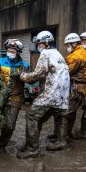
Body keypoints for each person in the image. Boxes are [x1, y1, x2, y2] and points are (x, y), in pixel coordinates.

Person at [16, 31, 70, 159]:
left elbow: (38, 74)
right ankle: (60, 141)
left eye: (39, 43)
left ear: (46, 43)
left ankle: (32, 149)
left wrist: (22, 76)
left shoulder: (46, 53)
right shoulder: (58, 54)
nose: (38, 46)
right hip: (63, 95)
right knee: (57, 115)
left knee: (32, 116)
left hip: (51, 92)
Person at [0, 39, 30, 150]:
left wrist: (25, 76)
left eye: (13, 50)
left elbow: (33, 81)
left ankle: (1, 146)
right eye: (9, 49)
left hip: (15, 97)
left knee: (10, 126)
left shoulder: (25, 65)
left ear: (19, 52)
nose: (10, 51)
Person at [64, 33, 86, 137]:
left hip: (76, 87)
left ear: (74, 43)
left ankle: (62, 138)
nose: (67, 47)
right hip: (78, 86)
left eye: (68, 45)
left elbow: (67, 71)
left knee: (66, 113)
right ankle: (66, 133)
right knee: (72, 111)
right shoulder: (78, 52)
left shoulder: (77, 55)